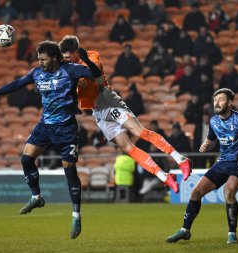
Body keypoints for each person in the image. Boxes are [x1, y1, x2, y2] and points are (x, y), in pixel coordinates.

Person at [0, 41, 102, 239]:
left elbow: (95, 74)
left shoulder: (71, 70)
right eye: (39, 58)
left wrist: (87, 60)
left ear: (55, 57)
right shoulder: (37, 73)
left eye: (43, 58)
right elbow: (16, 84)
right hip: (45, 127)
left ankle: (76, 216)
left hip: (66, 128)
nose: (40, 62)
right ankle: (36, 196)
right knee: (26, 159)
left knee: (70, 172)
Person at [59, 35, 193, 195]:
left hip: (108, 101)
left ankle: (181, 159)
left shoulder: (91, 56)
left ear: (75, 52)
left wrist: (84, 63)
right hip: (98, 112)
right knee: (128, 148)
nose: (66, 60)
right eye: (64, 58)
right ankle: (164, 176)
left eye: (68, 57)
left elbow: (95, 73)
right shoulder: (67, 69)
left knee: (139, 132)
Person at [166, 88, 238, 244]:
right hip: (222, 162)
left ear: (230, 102)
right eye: (215, 100)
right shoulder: (213, 121)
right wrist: (206, 145)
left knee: (229, 190)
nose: (216, 103)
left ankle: (232, 233)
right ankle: (185, 230)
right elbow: (212, 140)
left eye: (220, 99)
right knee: (196, 192)